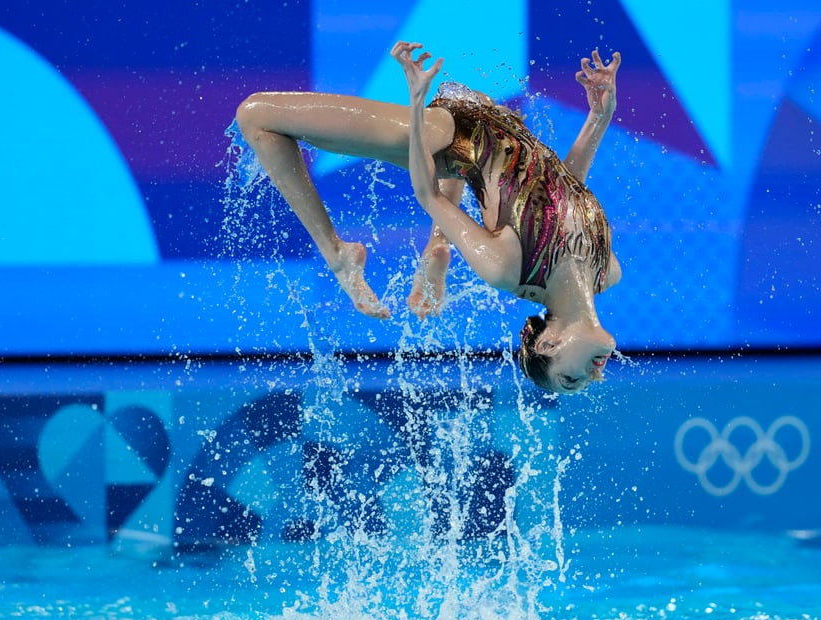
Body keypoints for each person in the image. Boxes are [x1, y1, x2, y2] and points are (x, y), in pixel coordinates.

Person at [235, 41, 623, 394]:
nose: (596, 375)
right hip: (486, 120)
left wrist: (417, 104)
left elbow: (428, 194)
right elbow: (566, 190)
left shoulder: (506, 268)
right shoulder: (606, 271)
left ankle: (338, 254)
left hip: (442, 137)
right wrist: (599, 117)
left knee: (256, 116)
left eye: (571, 378)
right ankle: (438, 246)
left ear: (548, 344)